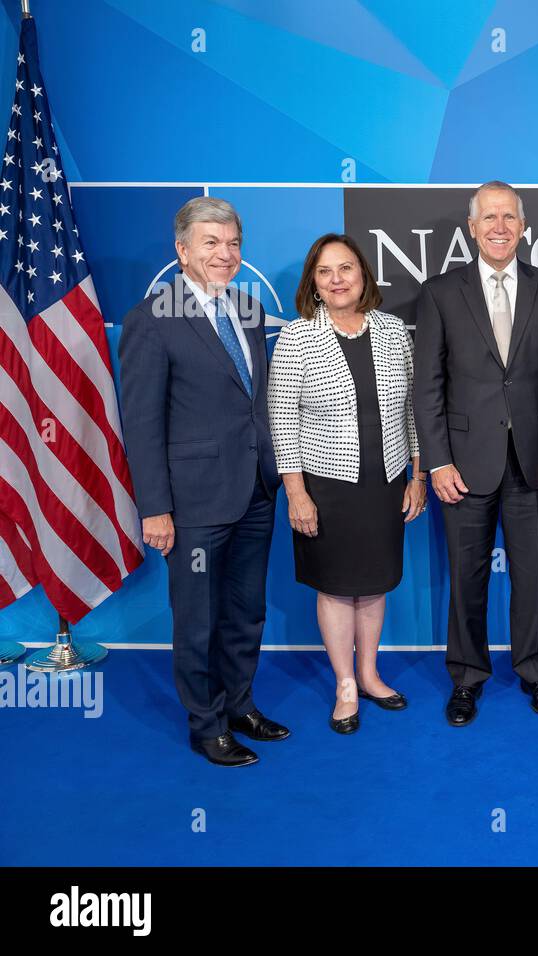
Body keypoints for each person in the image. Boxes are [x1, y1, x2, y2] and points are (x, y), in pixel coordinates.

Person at [118, 197, 287, 767]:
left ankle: (241, 706)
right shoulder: (150, 319)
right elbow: (141, 424)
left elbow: (252, 403)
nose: (225, 253)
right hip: (192, 504)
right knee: (198, 620)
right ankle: (206, 724)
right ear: (182, 250)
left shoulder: (246, 307)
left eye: (233, 243)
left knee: (246, 611)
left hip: (255, 491)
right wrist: (155, 508)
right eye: (211, 243)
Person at [412, 181, 538, 727]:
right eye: (489, 217)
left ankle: (536, 672)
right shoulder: (440, 292)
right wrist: (436, 461)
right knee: (467, 574)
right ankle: (466, 677)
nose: (500, 226)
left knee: (532, 574)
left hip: (535, 462)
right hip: (462, 464)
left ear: (523, 226)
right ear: (472, 227)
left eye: (509, 216)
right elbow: (428, 386)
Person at [268, 233, 425, 735]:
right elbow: (282, 418)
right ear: (313, 282)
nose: (337, 280)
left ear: (364, 277)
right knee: (336, 588)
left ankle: (370, 673)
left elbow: (413, 411)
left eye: (347, 269)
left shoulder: (394, 330)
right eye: (325, 271)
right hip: (326, 487)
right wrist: (296, 493)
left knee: (374, 584)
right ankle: (344, 685)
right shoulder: (297, 337)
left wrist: (417, 473)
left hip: (385, 482)